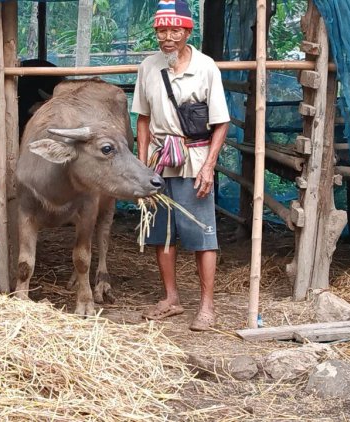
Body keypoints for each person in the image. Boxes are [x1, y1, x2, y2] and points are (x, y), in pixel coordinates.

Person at [131, 0, 230, 331]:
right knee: (163, 233)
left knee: (203, 234)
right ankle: (171, 297)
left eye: (175, 30)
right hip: (160, 161)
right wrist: (144, 165)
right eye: (162, 30)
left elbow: (220, 123)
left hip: (194, 158)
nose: (167, 37)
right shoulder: (148, 66)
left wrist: (209, 166)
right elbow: (143, 120)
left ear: (188, 31)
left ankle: (207, 306)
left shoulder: (206, 67)